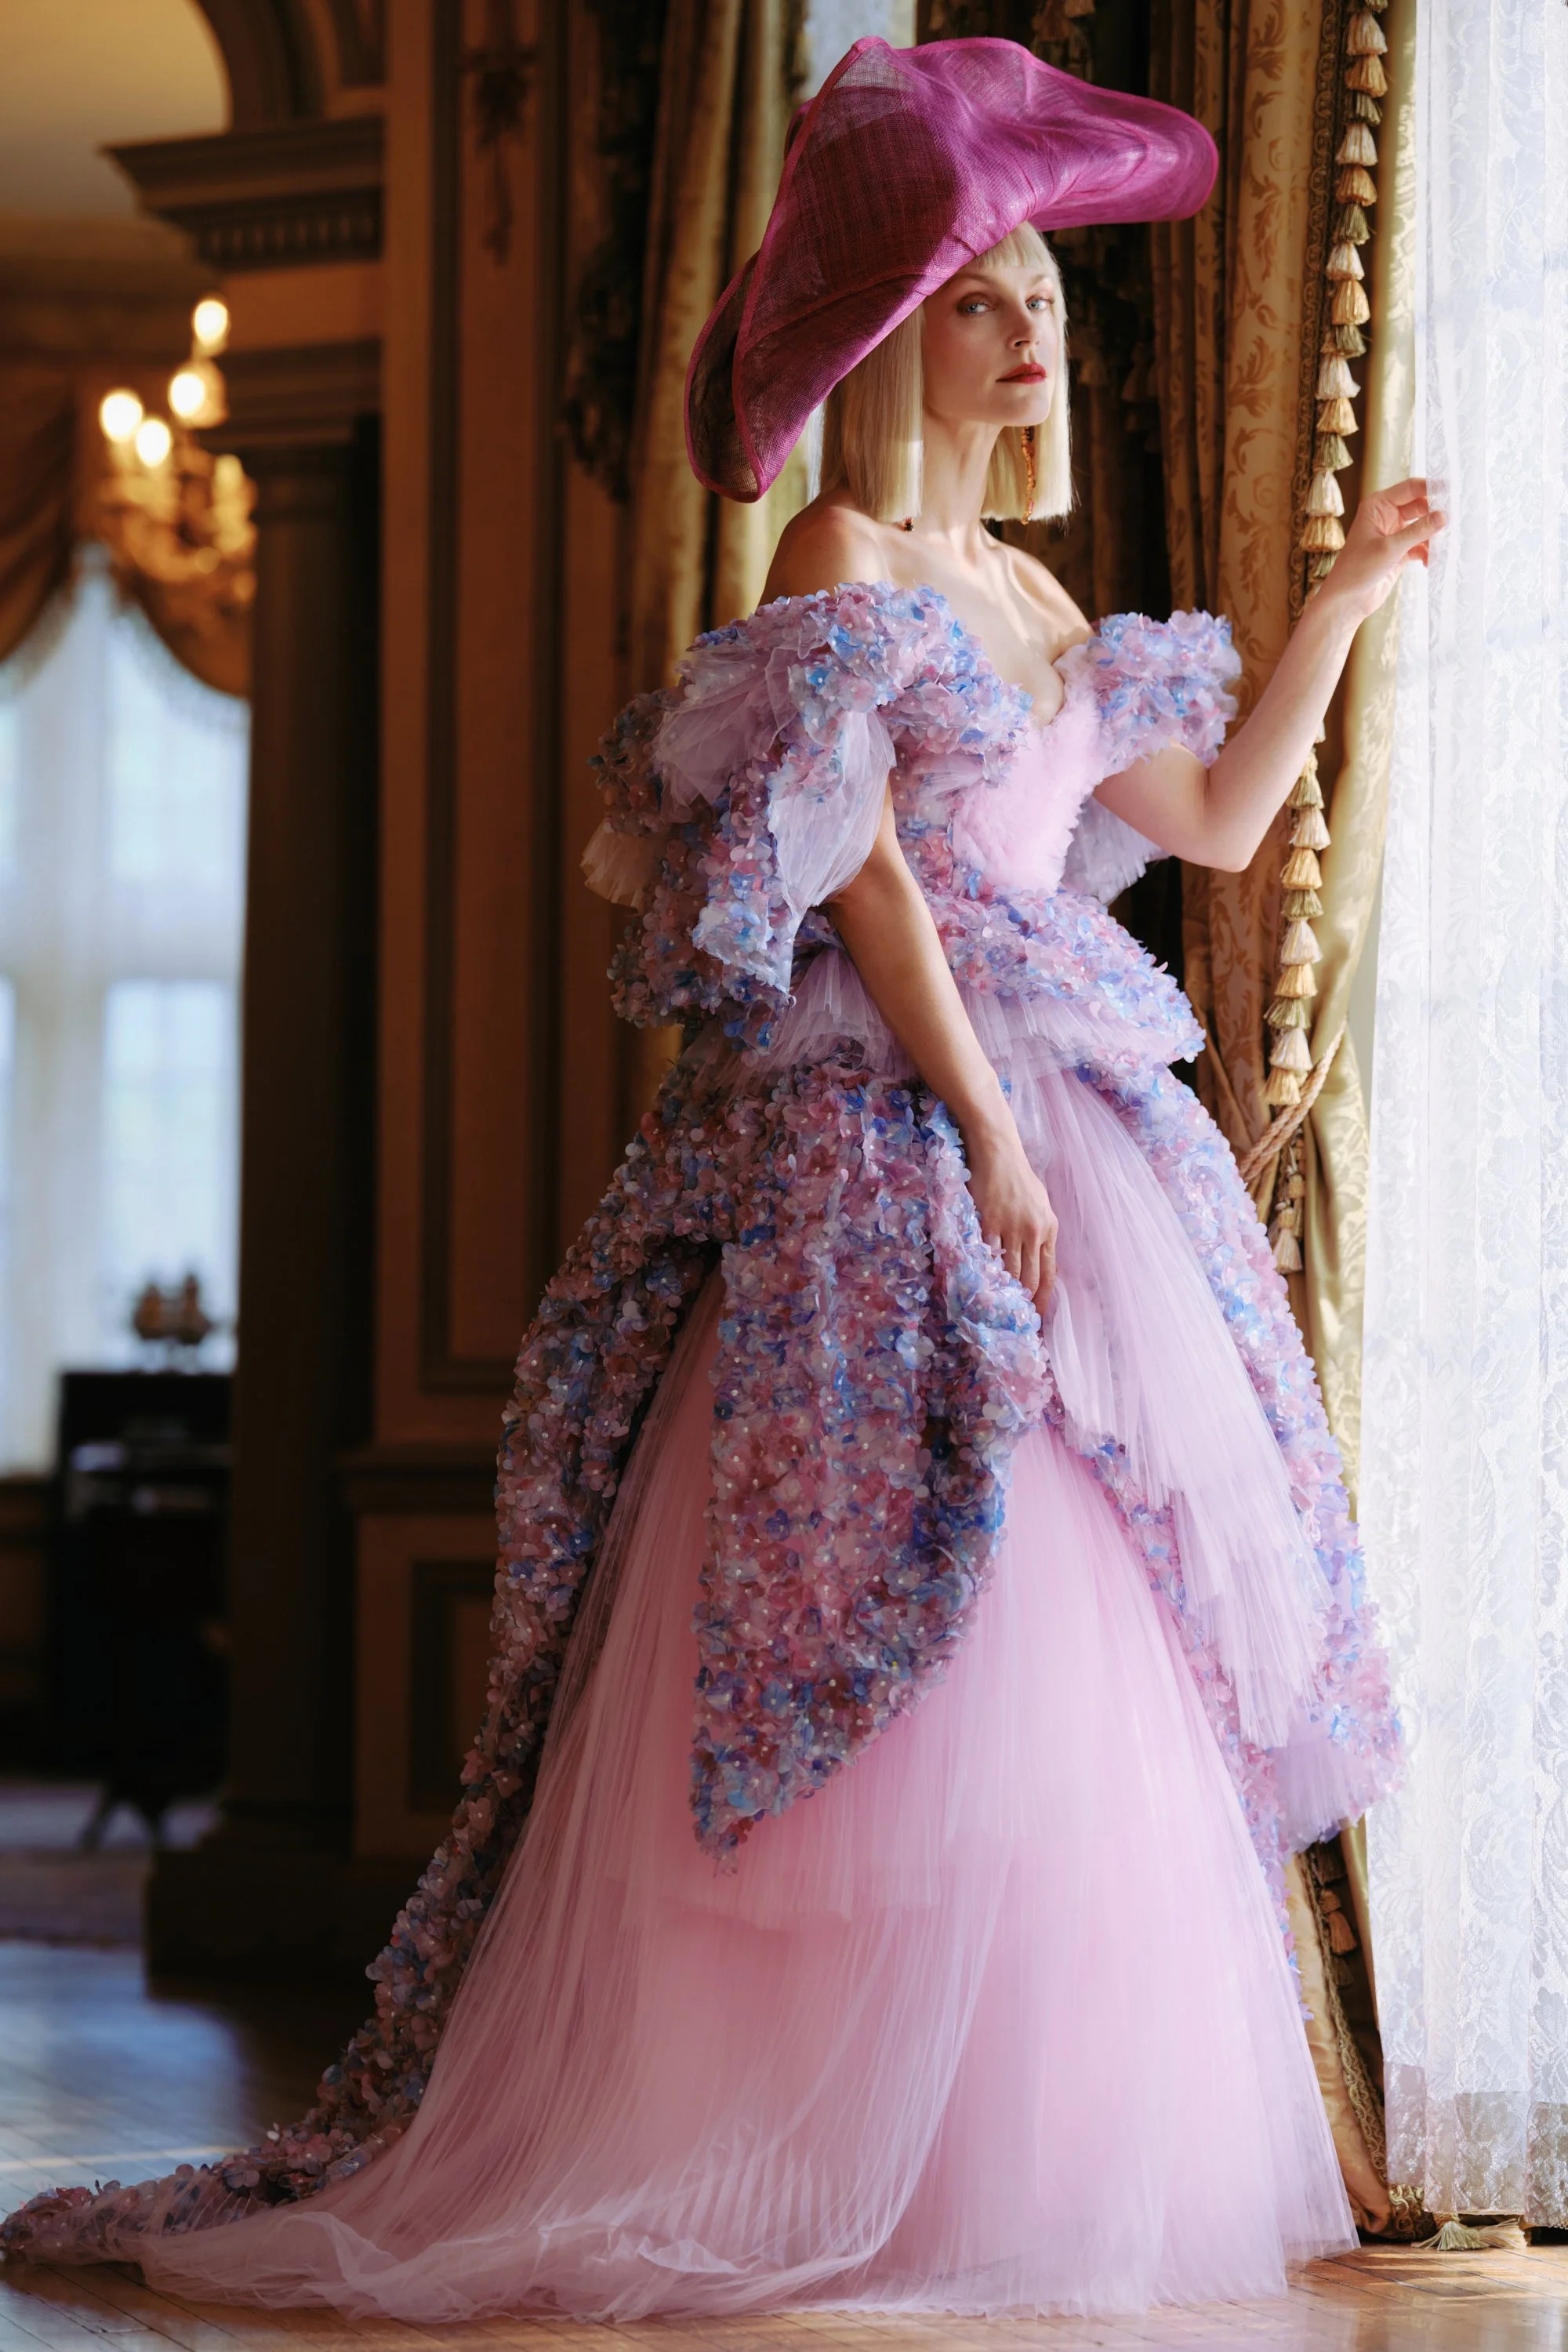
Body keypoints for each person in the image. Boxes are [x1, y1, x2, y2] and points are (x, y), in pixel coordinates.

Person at [2, 35, 1432, 2321]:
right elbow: (858, 862)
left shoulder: (1054, 605)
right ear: (898, 333)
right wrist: (971, 1115)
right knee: (890, 1591)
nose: (1036, 330)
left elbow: (1224, 827)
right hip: (890, 1125)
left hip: (1070, 1123)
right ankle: (777, 2138)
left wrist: (1344, 599)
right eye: (989, 296)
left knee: (1077, 1627)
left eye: (1048, 295)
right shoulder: (842, 550)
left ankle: (988, 2158)